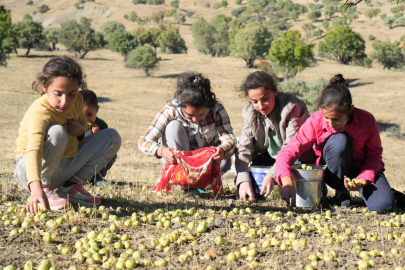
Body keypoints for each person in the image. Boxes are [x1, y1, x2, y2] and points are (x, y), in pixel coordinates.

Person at [276, 74, 402, 213]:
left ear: (350, 110)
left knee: (383, 207)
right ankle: (341, 192)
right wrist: (287, 180)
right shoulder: (315, 121)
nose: (331, 124)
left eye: (337, 119)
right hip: (333, 173)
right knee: (339, 140)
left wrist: (364, 179)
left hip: (363, 170)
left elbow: (374, 155)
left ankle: (388, 193)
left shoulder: (367, 120)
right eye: (326, 118)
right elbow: (287, 152)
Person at [14, 56, 121, 215]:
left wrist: (81, 131)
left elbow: (83, 124)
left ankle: (71, 187)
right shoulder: (40, 112)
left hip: (60, 167)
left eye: (71, 94)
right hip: (31, 171)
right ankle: (45, 189)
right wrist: (36, 189)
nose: (65, 101)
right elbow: (33, 151)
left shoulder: (78, 100)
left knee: (111, 136)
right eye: (58, 94)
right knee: (56, 132)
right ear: (45, 87)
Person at [138, 71, 236, 194]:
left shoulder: (217, 110)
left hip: (207, 164)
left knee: (225, 161)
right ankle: (187, 186)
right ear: (182, 105)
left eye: (201, 114)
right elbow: (143, 141)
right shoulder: (171, 109)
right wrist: (161, 151)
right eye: (190, 115)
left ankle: (202, 183)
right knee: (173, 127)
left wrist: (223, 150)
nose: (195, 119)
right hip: (180, 163)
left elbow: (230, 139)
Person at [235, 71, 314, 201]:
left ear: (275, 91)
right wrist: (243, 180)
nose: (260, 106)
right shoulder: (249, 112)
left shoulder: (292, 107)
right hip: (267, 160)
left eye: (265, 99)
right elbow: (243, 150)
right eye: (254, 101)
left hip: (296, 159)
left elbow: (292, 148)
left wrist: (272, 175)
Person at [80, 89, 117, 186]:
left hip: (95, 160)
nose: (86, 119)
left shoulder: (101, 125)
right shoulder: (75, 124)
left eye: (90, 114)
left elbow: (105, 146)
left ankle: (97, 177)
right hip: (79, 159)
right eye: (82, 115)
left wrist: (97, 135)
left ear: (97, 109)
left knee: (112, 154)